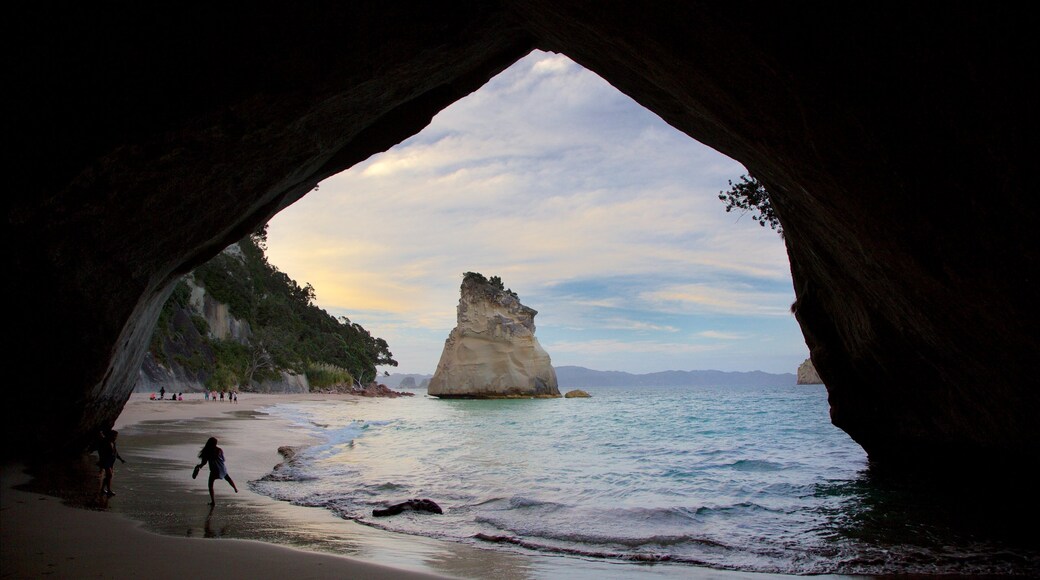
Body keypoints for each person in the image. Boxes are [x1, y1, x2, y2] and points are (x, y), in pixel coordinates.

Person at [193, 437, 238, 505]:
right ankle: (235, 488)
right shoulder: (219, 450)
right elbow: (223, 459)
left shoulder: (207, 451)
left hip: (214, 470)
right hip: (222, 468)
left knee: (210, 485)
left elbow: (204, 463)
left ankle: (213, 501)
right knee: (228, 478)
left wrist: (199, 466)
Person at [96, 429, 126, 496]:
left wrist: (121, 459)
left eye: (116, 436)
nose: (115, 437)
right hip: (106, 461)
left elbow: (115, 453)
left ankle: (102, 489)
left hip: (111, 462)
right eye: (114, 436)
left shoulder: (113, 442)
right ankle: (109, 490)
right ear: (111, 435)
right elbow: (101, 452)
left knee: (108, 476)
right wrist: (101, 460)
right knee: (109, 475)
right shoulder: (106, 442)